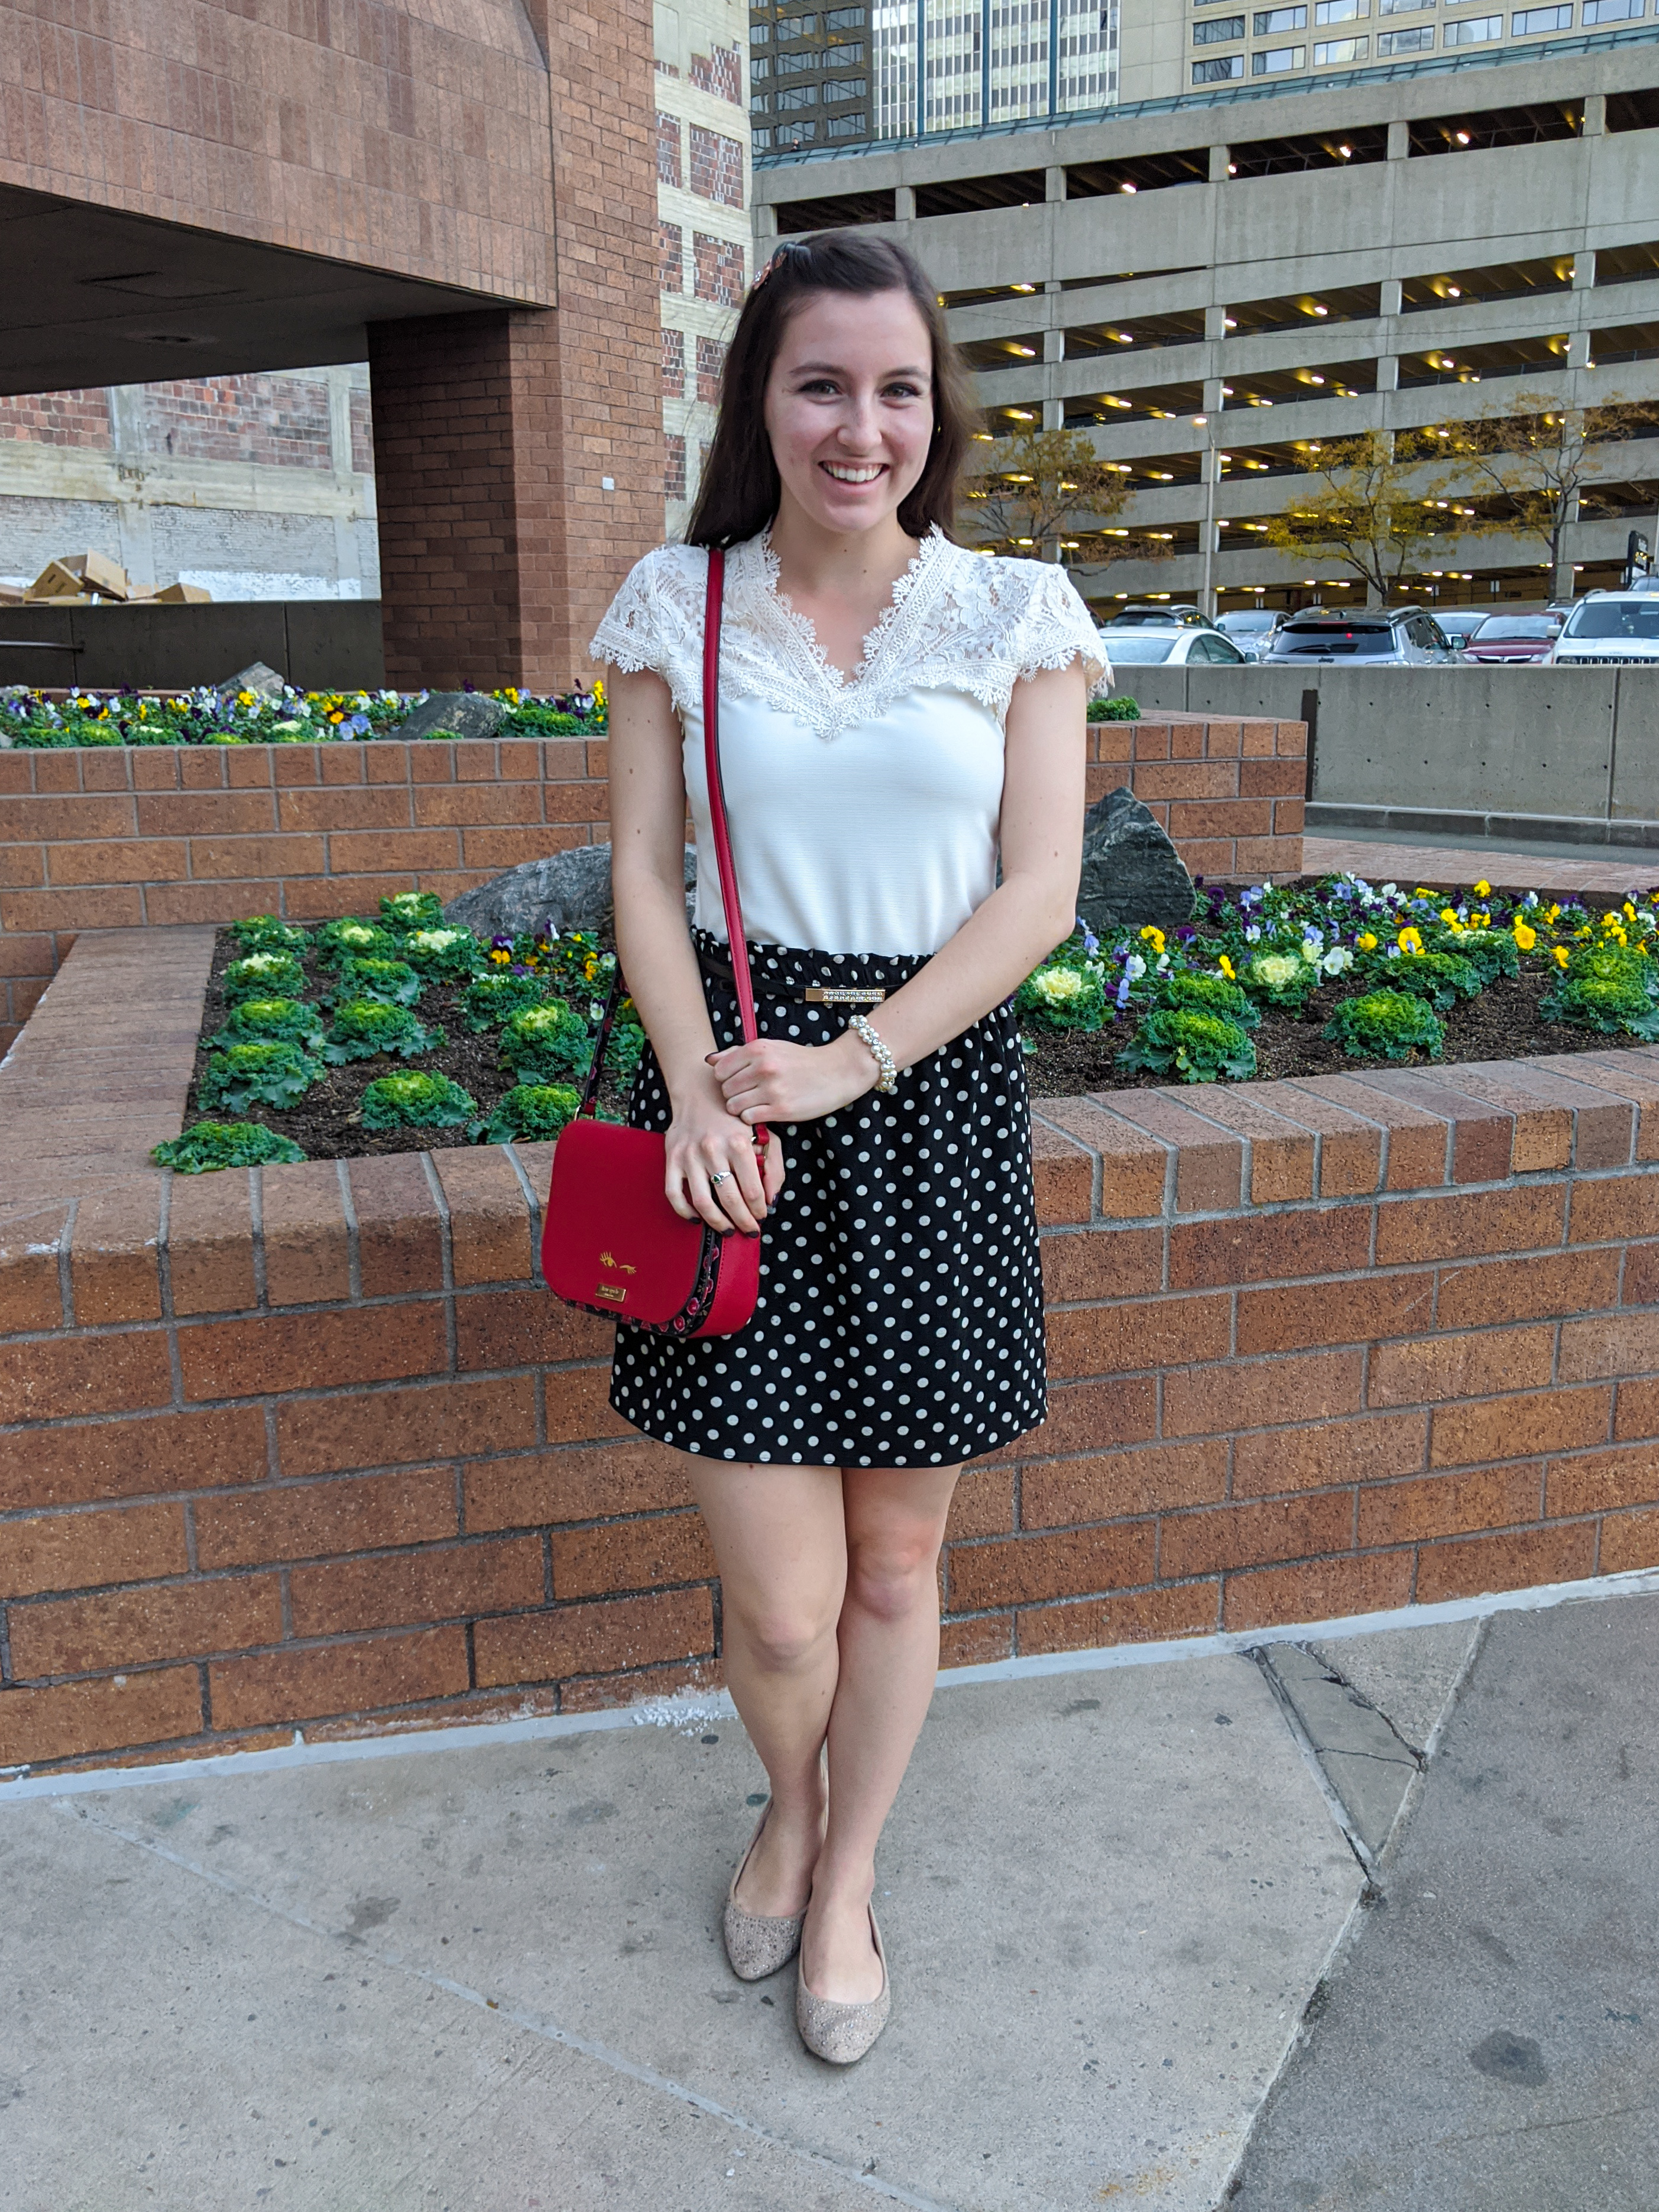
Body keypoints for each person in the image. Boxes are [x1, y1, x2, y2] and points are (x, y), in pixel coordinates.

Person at [590, 230, 1106, 2065]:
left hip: (929, 1110)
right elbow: (643, 875)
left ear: (932, 410)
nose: (860, 426)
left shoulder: (1016, 612)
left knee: (895, 1568)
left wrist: (859, 1058)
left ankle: (849, 1868)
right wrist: (705, 1082)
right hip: (729, 1116)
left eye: (896, 388)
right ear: (761, 401)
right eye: (821, 384)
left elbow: (1035, 894)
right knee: (783, 1602)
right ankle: (788, 1801)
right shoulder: (678, 602)